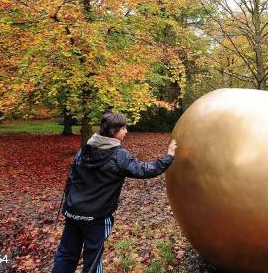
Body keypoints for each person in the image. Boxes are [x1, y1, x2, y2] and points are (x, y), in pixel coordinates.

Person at [52, 112, 177, 273]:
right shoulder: (119, 155)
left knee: (66, 255)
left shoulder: (84, 150)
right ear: (113, 131)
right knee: (93, 261)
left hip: (73, 211)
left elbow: (71, 178)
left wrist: (71, 204)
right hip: (96, 218)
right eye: (123, 128)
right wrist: (169, 156)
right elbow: (144, 170)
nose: (126, 131)